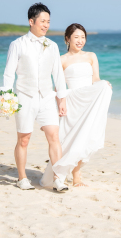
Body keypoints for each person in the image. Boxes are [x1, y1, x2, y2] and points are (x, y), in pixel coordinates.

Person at [0, 3, 68, 191]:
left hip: (47, 97)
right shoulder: (17, 44)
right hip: (25, 97)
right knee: (24, 139)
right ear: (31, 21)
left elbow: (58, 74)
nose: (46, 25)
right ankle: (22, 178)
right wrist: (6, 97)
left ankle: (58, 179)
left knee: (54, 136)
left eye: (48, 22)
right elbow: (8, 73)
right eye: (43, 21)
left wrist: (61, 99)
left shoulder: (52, 46)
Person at [41, 23, 112, 188]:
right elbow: (58, 87)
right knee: (69, 139)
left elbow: (95, 79)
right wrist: (58, 105)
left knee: (84, 137)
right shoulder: (61, 60)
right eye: (76, 37)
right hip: (71, 102)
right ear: (67, 39)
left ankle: (76, 176)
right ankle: (61, 173)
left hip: (87, 101)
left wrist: (103, 84)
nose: (80, 41)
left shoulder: (91, 56)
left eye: (83, 37)